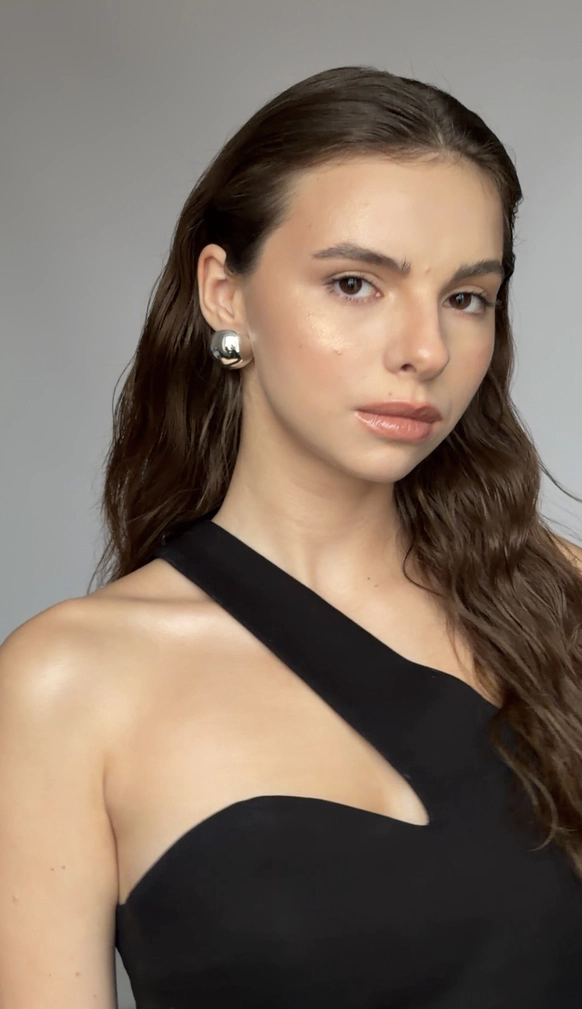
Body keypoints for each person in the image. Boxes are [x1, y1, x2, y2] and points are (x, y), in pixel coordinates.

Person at [1, 65, 582, 1009]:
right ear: (224, 293)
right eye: (355, 283)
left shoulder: (562, 605)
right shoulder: (68, 686)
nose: (425, 349)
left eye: (466, 297)